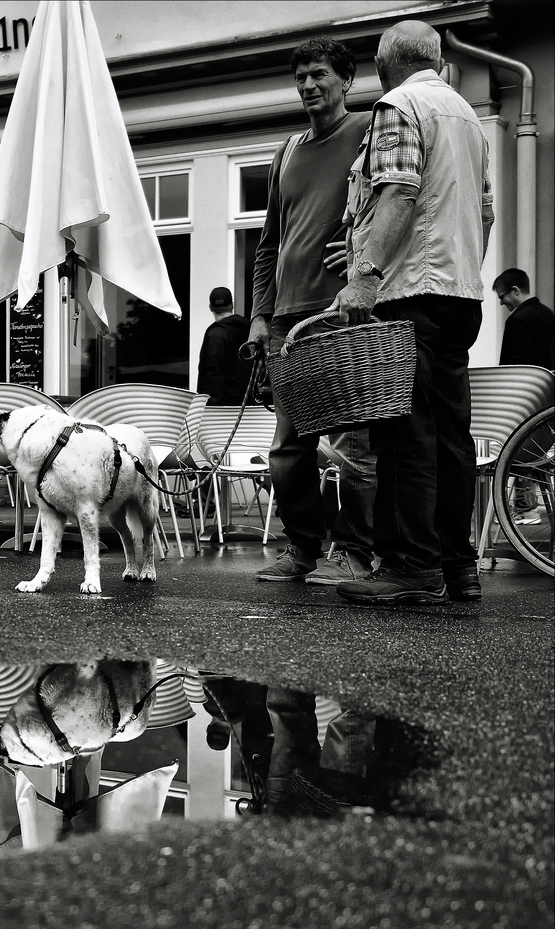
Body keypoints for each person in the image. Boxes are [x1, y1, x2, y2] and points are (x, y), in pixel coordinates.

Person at [333, 20, 495, 606]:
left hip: (410, 293)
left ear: (384, 63)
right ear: (436, 60)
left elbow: (399, 192)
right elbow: (484, 210)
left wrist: (365, 273)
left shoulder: (398, 104)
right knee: (452, 436)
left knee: (405, 436)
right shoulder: (466, 115)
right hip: (461, 293)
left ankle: (411, 565)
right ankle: (459, 566)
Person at [246, 38, 379, 587]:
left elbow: (395, 201)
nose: (308, 86)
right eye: (301, 77)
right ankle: (302, 547)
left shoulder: (369, 130)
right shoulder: (288, 150)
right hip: (286, 320)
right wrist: (258, 314)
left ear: (346, 80)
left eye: (319, 74)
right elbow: (268, 243)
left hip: (342, 311)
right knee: (287, 449)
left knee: (358, 445)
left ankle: (356, 552)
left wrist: (362, 249)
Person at [196, 287, 251, 407]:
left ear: (211, 307)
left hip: (223, 410)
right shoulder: (251, 330)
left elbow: (212, 372)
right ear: (232, 305)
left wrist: (209, 405)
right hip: (250, 405)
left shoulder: (215, 334)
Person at [493, 268, 555, 370]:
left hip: (527, 384)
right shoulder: (549, 313)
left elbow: (513, 365)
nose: (501, 303)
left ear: (515, 291)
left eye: (501, 297)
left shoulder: (517, 320)